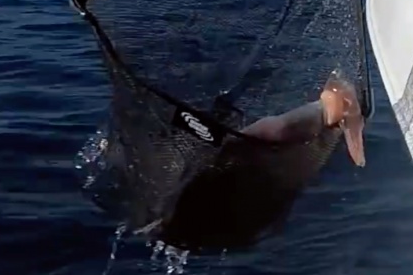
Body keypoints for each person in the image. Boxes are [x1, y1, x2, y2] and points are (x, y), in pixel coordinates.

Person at [136, 72, 366, 252]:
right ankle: (334, 110)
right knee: (262, 138)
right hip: (246, 190)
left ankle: (333, 112)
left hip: (242, 205)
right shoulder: (252, 151)